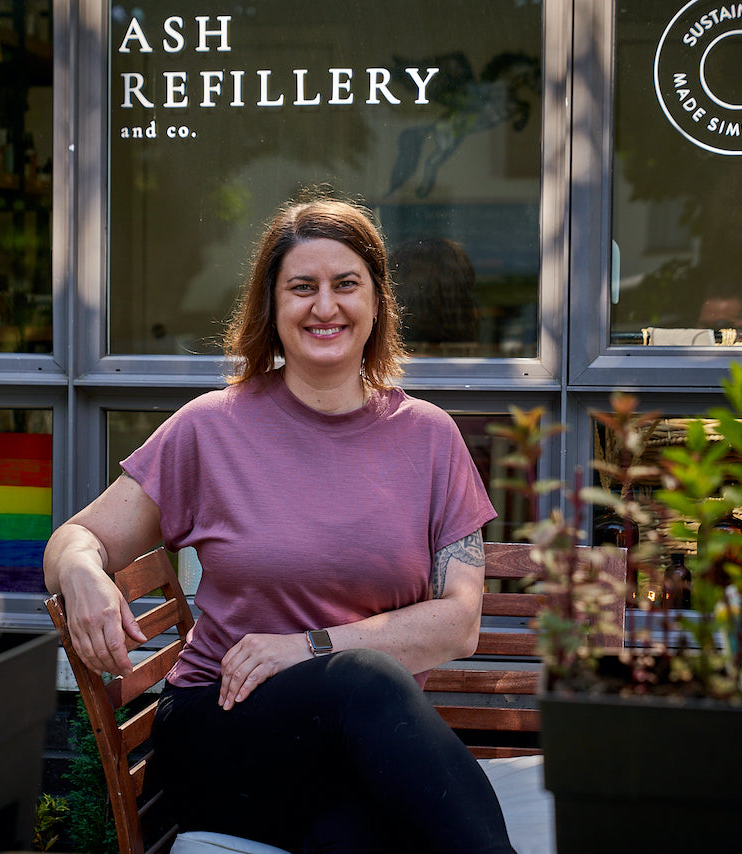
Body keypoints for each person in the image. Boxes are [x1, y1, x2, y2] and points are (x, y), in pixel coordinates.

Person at [43, 195, 517, 854]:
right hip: (227, 731)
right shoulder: (211, 428)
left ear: (377, 301)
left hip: (348, 758)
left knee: (356, 836)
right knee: (367, 676)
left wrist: (304, 646)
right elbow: (77, 537)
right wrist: (81, 571)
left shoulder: (431, 439)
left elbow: (460, 624)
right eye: (302, 288)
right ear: (273, 306)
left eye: (345, 284)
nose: (325, 306)